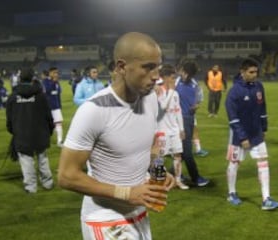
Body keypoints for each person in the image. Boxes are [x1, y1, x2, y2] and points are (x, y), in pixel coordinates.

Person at [57, 32, 175, 240]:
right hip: (105, 218)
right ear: (121, 67)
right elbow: (67, 176)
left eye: (158, 66)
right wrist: (127, 193)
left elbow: (153, 145)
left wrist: (158, 171)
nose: (156, 75)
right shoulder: (94, 110)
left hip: (138, 212)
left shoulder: (150, 99)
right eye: (148, 67)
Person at [225, 58, 278, 210]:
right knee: (235, 163)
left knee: (263, 162)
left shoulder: (259, 86)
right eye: (251, 72)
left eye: (256, 71)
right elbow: (233, 117)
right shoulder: (234, 92)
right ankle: (231, 193)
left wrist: (264, 128)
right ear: (242, 72)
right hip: (238, 136)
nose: (254, 74)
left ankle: (266, 199)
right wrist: (242, 137)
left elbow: (262, 108)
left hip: (256, 134)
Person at [6, 68, 54, 193]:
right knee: (42, 158)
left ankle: (31, 187)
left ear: (20, 79)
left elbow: (9, 119)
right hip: (40, 133)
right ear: (33, 79)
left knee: (26, 160)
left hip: (22, 134)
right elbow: (48, 116)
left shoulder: (13, 96)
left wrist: (13, 131)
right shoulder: (40, 96)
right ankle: (47, 183)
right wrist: (50, 130)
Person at [175, 59, 210, 187]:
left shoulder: (195, 85)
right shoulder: (175, 82)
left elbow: (199, 99)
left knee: (181, 150)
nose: (183, 74)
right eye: (182, 71)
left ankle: (174, 172)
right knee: (187, 151)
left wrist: (197, 105)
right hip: (179, 120)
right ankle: (195, 177)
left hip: (189, 119)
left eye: (185, 72)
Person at [156, 64, 188, 190]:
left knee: (177, 155)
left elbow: (178, 111)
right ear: (164, 78)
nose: (174, 80)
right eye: (172, 78)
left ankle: (178, 180)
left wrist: (181, 129)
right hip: (162, 130)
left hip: (174, 130)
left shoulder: (175, 94)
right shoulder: (158, 91)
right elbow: (163, 107)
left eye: (174, 78)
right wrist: (171, 91)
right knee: (160, 157)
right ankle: (159, 181)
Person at [42, 67, 64, 147]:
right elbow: (47, 90)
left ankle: (60, 141)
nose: (56, 74)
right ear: (50, 73)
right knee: (47, 125)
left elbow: (58, 93)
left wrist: (59, 105)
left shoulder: (57, 82)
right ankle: (45, 141)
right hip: (48, 107)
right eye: (54, 73)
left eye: (57, 73)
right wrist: (53, 82)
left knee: (58, 123)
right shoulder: (45, 81)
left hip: (56, 106)